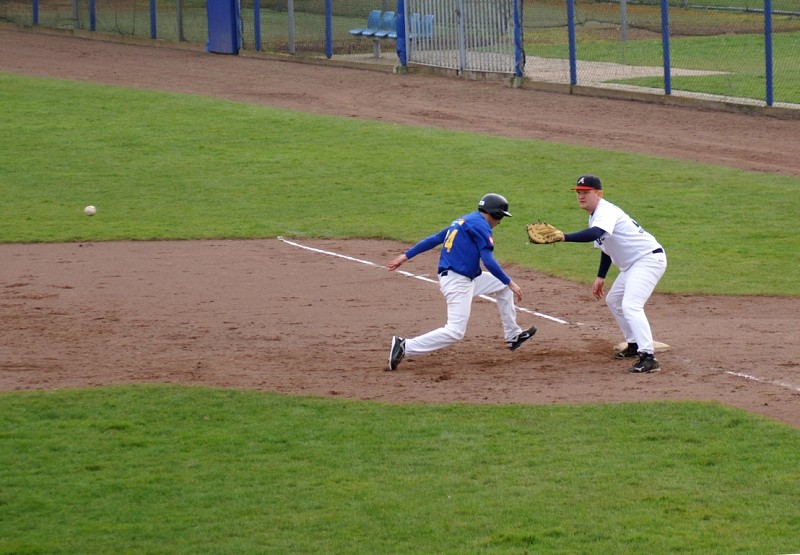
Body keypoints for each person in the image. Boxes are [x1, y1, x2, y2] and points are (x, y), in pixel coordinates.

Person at [385, 193, 538, 371]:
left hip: (464, 277)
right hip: (458, 282)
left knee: (502, 286)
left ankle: (513, 336)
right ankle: (405, 346)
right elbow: (488, 260)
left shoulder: (464, 220)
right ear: (495, 213)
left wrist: (405, 256)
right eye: (501, 217)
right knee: (455, 332)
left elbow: (435, 239)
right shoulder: (481, 226)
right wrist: (510, 281)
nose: (500, 222)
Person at [557, 174, 667, 374]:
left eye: (586, 192)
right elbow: (605, 247)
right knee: (614, 300)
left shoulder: (605, 211)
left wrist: (564, 237)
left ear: (598, 194)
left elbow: (596, 234)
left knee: (631, 305)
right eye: (578, 192)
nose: (581, 196)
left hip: (648, 260)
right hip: (633, 265)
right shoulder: (595, 216)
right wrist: (601, 276)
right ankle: (634, 344)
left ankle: (648, 357)